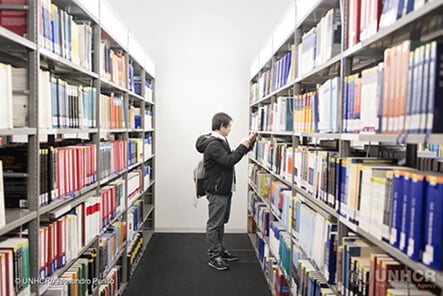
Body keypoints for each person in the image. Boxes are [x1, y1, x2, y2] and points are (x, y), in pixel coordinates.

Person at [195, 112, 257, 271]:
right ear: (221, 127)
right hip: (217, 190)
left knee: (220, 222)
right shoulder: (214, 144)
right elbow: (228, 161)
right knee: (214, 224)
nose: (230, 130)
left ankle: (220, 250)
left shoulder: (220, 140)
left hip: (223, 188)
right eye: (229, 127)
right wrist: (243, 146)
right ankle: (214, 256)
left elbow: (230, 157)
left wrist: (248, 146)